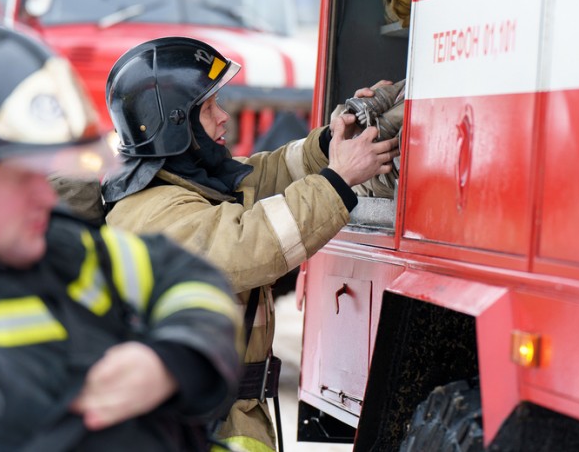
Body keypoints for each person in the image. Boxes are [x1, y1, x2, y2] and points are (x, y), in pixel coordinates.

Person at [0, 21, 242, 451]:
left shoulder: (59, 248)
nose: (46, 196)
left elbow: (185, 274)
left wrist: (170, 361)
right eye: (23, 176)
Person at [96, 37, 400, 452]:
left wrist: (332, 141)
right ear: (173, 122)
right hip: (201, 427)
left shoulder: (187, 183)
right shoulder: (153, 212)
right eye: (209, 108)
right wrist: (338, 179)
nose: (224, 118)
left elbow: (265, 176)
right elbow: (252, 243)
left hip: (218, 416)